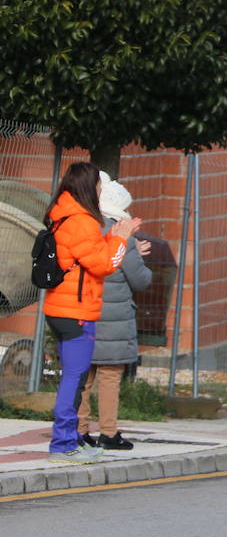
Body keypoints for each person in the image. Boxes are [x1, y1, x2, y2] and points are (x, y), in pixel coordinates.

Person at [41, 162, 141, 463]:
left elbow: (95, 255)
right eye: (99, 186)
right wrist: (122, 238)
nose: (102, 191)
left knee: (76, 376)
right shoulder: (81, 221)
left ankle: (72, 438)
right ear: (89, 187)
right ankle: (62, 444)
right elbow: (104, 265)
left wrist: (114, 237)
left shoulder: (64, 215)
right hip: (76, 310)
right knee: (74, 378)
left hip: (62, 306)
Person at [76, 175, 152, 451]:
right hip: (115, 320)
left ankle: (79, 430)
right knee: (109, 376)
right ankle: (108, 432)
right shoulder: (123, 238)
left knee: (83, 377)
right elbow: (139, 279)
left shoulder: (83, 231)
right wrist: (138, 258)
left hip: (84, 312)